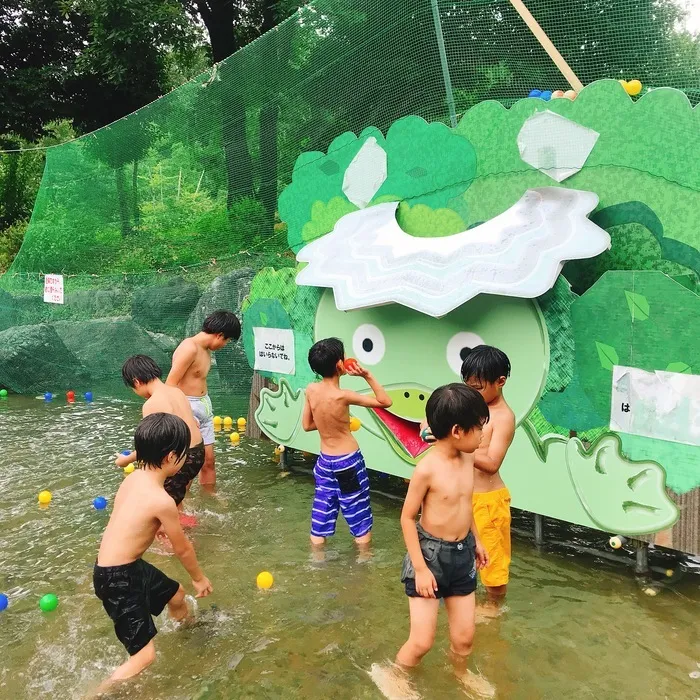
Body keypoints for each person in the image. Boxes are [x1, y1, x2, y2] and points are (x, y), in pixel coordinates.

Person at [93, 413, 213, 693]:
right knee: (145, 656)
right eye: (184, 455)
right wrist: (199, 578)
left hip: (116, 567)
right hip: (118, 578)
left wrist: (152, 528)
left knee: (177, 594)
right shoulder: (162, 500)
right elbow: (182, 548)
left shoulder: (133, 479)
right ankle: (97, 693)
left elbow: (126, 517)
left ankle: (186, 633)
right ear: (172, 457)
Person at [396, 384, 491, 694]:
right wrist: (421, 569)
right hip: (430, 556)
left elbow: (464, 504)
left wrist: (476, 539)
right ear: (457, 431)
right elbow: (407, 518)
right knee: (422, 641)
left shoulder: (467, 457)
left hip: (463, 555)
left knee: (464, 638)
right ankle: (396, 675)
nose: (482, 433)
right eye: (478, 426)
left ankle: (460, 673)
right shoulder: (427, 470)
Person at [302, 337, 392, 551]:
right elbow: (385, 402)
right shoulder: (343, 396)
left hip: (324, 463)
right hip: (348, 463)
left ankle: (317, 561)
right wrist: (366, 375)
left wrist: (328, 424)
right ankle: (363, 561)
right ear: (340, 365)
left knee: (322, 510)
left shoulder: (311, 390)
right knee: (357, 510)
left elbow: (307, 425)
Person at [461, 346, 516, 614]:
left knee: (492, 564)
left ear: (500, 382)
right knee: (465, 558)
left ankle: (494, 609)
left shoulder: (504, 417)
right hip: (463, 498)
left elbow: (492, 464)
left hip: (488, 504)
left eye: (478, 387)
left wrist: (455, 445)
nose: (471, 392)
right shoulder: (472, 405)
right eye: (468, 386)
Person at [115, 355, 204, 513]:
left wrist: (125, 460)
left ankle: (186, 534)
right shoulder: (176, 392)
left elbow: (152, 447)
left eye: (133, 389)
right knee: (176, 499)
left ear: (136, 381)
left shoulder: (152, 404)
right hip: (198, 453)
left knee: (165, 508)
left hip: (181, 459)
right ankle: (190, 521)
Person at [166, 310, 241, 488]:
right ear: (220, 335)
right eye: (227, 340)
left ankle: (210, 498)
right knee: (188, 464)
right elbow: (170, 385)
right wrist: (186, 416)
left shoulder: (206, 350)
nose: (225, 345)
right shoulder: (189, 348)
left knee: (208, 461)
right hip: (188, 408)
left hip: (204, 408)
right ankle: (183, 502)